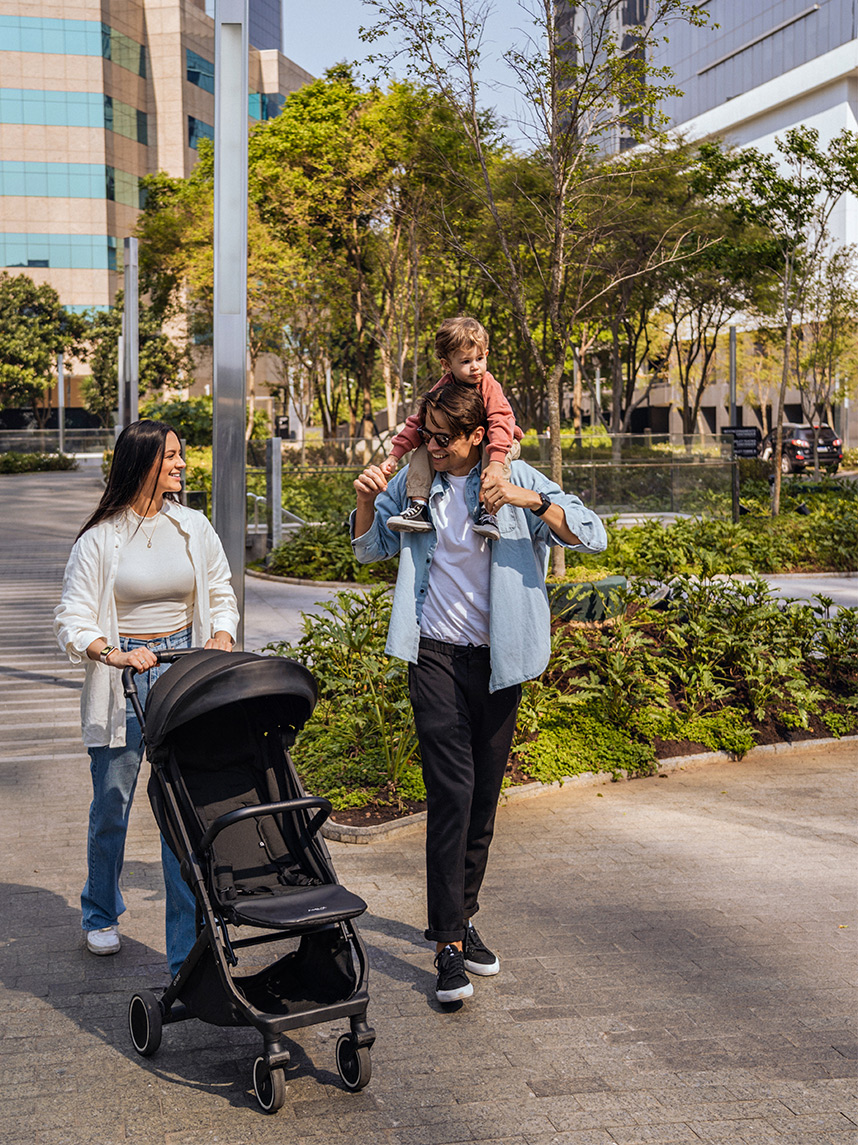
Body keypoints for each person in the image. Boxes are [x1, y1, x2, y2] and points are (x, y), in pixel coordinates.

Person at [352, 382, 606, 1004]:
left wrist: (527, 497)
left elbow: (592, 533)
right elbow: (371, 547)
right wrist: (364, 504)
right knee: (452, 793)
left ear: (475, 438)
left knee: (484, 801)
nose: (431, 447)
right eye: (427, 435)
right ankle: (446, 948)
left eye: (444, 439)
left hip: (498, 662)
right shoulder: (419, 480)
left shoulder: (512, 477)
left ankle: (461, 920)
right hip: (433, 654)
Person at [54, 419, 239, 975]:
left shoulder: (194, 526)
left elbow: (221, 589)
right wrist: (110, 653)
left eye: (182, 456)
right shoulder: (99, 539)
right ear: (144, 466)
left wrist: (222, 633)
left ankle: (184, 950)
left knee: (180, 812)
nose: (183, 465)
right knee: (113, 800)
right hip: (125, 675)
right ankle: (100, 912)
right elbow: (72, 616)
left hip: (183, 671)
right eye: (173, 457)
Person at [380, 316, 523, 542]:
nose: (475, 367)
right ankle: (419, 506)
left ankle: (489, 512)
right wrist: (394, 455)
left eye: (479, 358)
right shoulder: (444, 388)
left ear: (486, 355)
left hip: (499, 442)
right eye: (465, 362)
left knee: (492, 457)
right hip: (461, 445)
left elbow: (500, 420)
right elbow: (419, 421)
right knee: (422, 453)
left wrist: (496, 460)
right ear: (447, 365)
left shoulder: (488, 386)